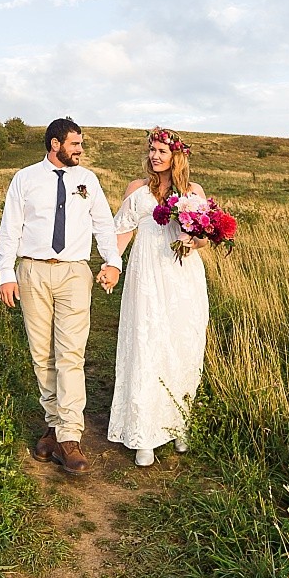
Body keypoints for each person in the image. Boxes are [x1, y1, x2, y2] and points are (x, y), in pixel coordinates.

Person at [0, 117, 123, 476]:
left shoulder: (88, 180)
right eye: (74, 144)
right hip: (33, 270)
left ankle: (69, 436)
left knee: (70, 353)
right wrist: (7, 274)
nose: (80, 150)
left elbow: (103, 224)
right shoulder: (25, 179)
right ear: (55, 145)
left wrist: (112, 261)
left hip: (73, 272)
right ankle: (52, 425)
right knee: (42, 354)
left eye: (81, 144)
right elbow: (10, 228)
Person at [107, 126, 211, 467]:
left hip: (183, 277)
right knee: (147, 344)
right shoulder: (136, 189)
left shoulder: (193, 191)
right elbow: (121, 232)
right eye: (151, 150)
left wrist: (193, 240)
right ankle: (144, 433)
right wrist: (113, 266)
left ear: (175, 157)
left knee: (182, 346)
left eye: (161, 151)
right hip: (147, 275)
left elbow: (205, 239)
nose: (154, 156)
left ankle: (179, 424)